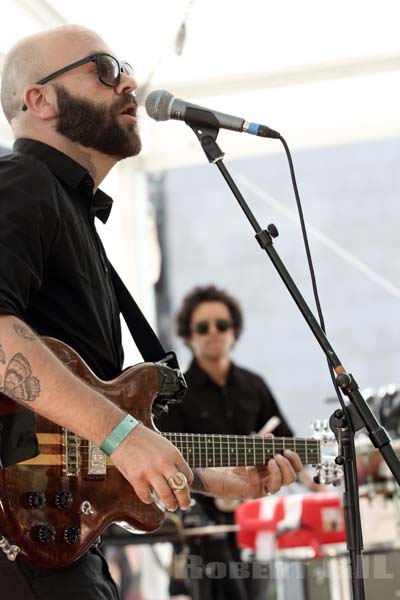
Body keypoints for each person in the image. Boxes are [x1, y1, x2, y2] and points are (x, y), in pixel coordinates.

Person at [0, 25, 302, 600]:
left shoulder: (71, 212)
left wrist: (207, 475)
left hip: (61, 538)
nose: (129, 82)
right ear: (37, 100)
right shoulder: (22, 182)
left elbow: (73, 432)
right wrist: (122, 435)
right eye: (105, 69)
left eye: (126, 68)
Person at [156, 285, 304, 600]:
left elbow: (288, 444)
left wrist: (315, 482)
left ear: (234, 331)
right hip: (198, 527)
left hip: (253, 522)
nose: (213, 333)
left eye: (221, 325)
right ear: (189, 335)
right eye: (202, 327)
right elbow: (165, 461)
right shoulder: (172, 395)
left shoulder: (254, 385)